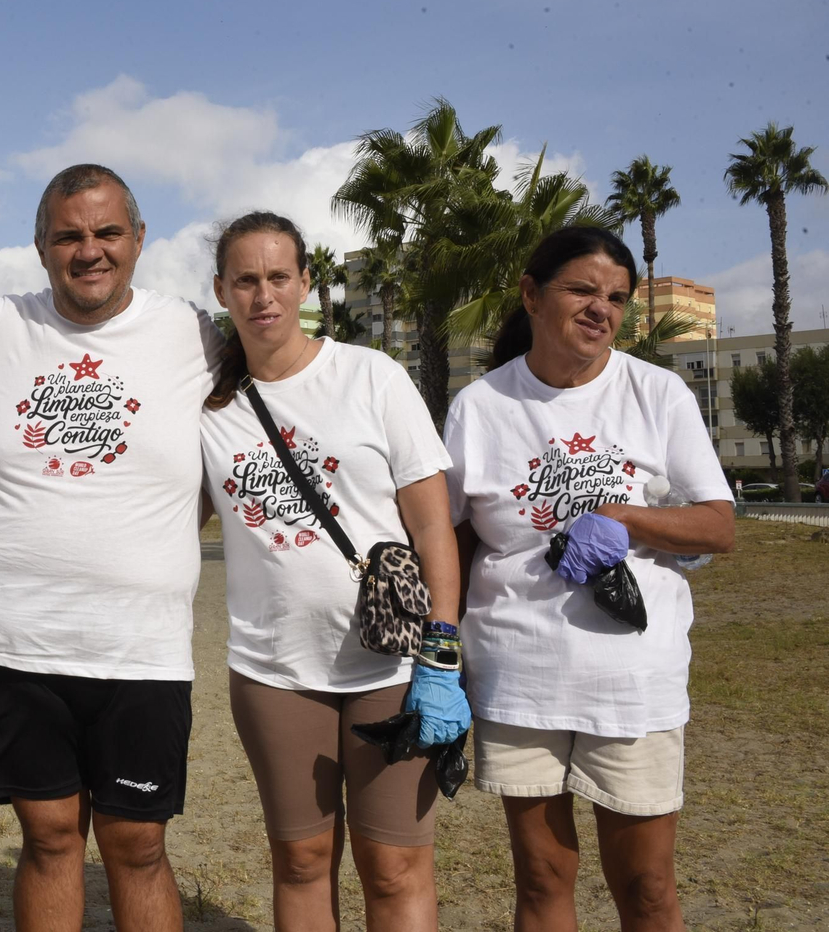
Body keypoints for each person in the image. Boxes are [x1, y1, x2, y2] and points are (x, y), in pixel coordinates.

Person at [0, 163, 221, 932]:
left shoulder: (191, 331)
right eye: (68, 236)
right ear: (41, 247)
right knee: (50, 836)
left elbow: (248, 423)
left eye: (107, 232)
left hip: (143, 644)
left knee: (138, 842)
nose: (89, 250)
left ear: (139, 239)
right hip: (19, 635)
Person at [443, 227, 735, 932]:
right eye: (581, 290)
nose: (601, 309)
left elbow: (717, 525)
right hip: (518, 674)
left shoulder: (657, 393)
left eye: (617, 298)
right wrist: (439, 652)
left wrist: (624, 518)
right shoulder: (480, 407)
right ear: (531, 295)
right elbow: (451, 537)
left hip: (633, 678)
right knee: (542, 879)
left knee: (647, 887)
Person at [198, 212, 467, 932]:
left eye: (278, 277)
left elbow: (432, 525)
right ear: (221, 291)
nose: (263, 296)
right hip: (274, 668)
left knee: (395, 866)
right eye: (245, 281)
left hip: (392, 665)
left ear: (305, 283)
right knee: (301, 860)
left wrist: (442, 651)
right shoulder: (211, 408)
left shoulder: (371, 376)